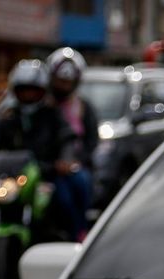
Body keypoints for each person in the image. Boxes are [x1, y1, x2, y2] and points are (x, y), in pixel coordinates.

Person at [0, 60, 79, 249]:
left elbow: (67, 138)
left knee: (64, 200)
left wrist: (65, 160)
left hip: (46, 174)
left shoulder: (52, 114)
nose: (28, 95)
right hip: (12, 177)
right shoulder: (9, 117)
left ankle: (73, 243)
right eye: (23, 90)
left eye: (33, 90)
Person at [46, 47, 98, 241]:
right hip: (47, 166)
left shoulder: (84, 108)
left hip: (74, 167)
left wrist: (75, 162)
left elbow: (91, 142)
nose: (63, 85)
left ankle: (79, 232)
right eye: (60, 80)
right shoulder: (43, 107)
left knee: (78, 188)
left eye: (68, 81)